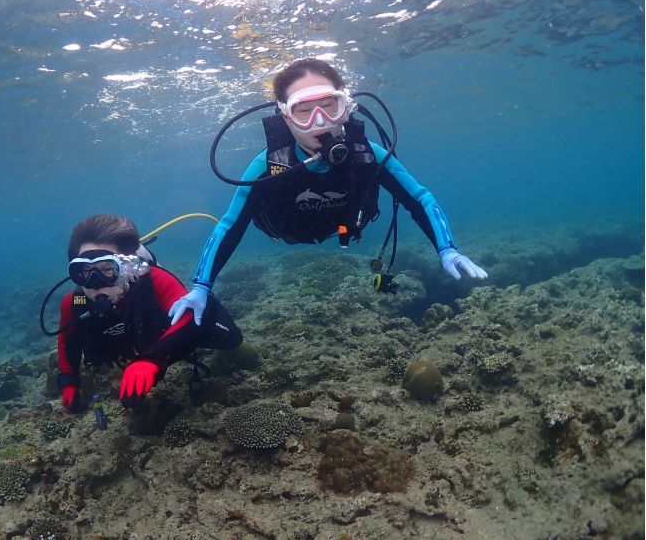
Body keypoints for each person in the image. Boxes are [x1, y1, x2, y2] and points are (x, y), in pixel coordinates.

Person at [169, 57, 488, 325]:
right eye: (303, 111)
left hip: (345, 228)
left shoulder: (369, 155)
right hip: (287, 232)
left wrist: (447, 248)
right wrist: (201, 286)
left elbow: (419, 198)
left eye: (329, 105)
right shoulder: (267, 166)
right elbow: (230, 225)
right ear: (285, 116)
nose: (319, 121)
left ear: (346, 106)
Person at [56, 214, 242, 413]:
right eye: (84, 271)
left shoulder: (154, 280)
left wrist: (151, 359)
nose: (95, 282)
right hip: (134, 346)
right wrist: (69, 382)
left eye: (108, 269)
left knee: (231, 338)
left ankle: (209, 302)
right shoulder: (73, 303)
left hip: (167, 342)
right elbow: (68, 340)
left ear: (127, 266)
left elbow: (189, 316)